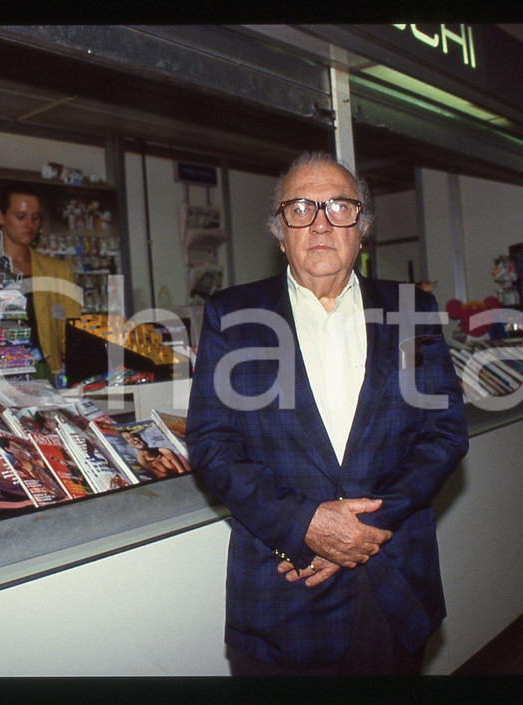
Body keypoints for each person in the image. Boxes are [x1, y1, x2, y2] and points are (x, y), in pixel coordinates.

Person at [186, 152, 469, 675]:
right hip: (282, 588)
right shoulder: (233, 315)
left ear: (361, 228)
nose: (320, 223)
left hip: (393, 581)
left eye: (339, 206)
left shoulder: (411, 310)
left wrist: (363, 530)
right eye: (300, 208)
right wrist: (306, 524)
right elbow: (212, 443)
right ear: (279, 232)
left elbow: (444, 432)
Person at [0, 185, 82, 380]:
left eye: (35, 218)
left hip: (46, 374)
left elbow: (70, 329)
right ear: (0, 217)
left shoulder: (57, 271)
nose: (29, 225)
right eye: (20, 216)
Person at [120, 430, 190, 478]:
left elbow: (182, 472)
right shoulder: (142, 460)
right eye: (128, 439)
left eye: (133, 436)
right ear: (129, 445)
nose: (133, 439)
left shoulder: (165, 452)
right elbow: (160, 476)